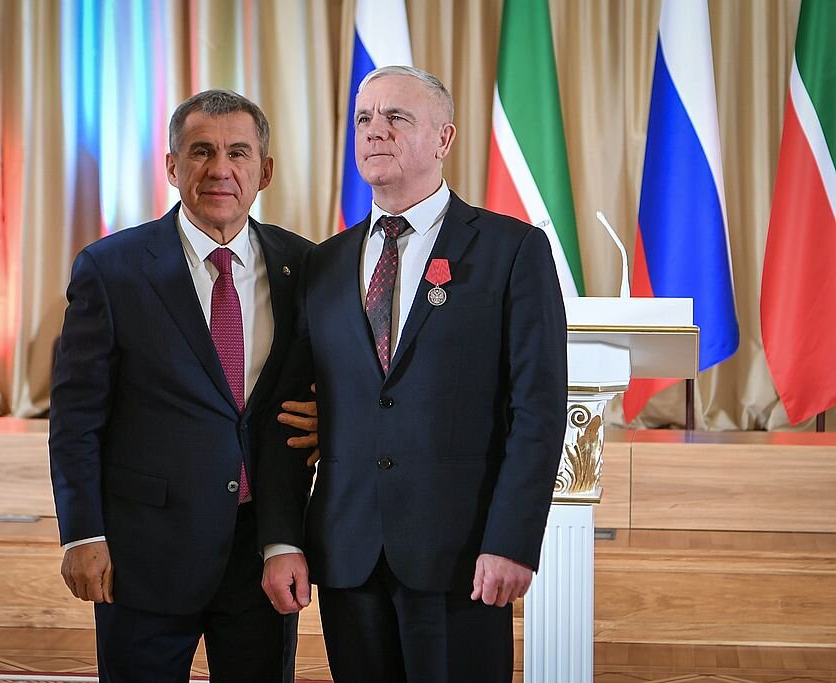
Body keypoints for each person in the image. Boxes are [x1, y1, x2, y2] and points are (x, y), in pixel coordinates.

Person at [258, 66, 567, 683]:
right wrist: (282, 538)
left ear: (444, 139)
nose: (376, 131)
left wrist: (511, 540)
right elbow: (289, 414)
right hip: (347, 557)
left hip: (462, 559)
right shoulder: (322, 264)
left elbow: (537, 409)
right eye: (364, 119)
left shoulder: (511, 251)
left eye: (396, 117)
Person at [49, 89, 315, 683]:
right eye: (201, 151)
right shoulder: (111, 270)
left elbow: (334, 381)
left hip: (261, 557)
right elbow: (75, 418)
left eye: (238, 153)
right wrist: (82, 533)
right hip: (143, 556)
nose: (220, 169)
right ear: (172, 167)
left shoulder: (303, 267)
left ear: (265, 171)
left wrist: (335, 420)